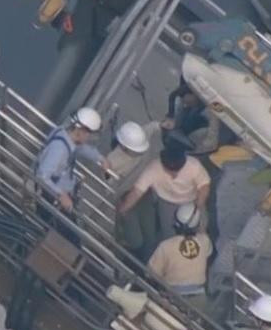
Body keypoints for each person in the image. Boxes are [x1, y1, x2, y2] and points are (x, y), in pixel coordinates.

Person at [33, 107, 110, 240]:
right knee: (67, 239)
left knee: (63, 236)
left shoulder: (65, 133)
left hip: (58, 196)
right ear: (82, 131)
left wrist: (100, 158)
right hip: (53, 197)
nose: (89, 138)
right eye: (89, 134)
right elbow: (42, 175)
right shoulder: (60, 149)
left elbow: (80, 148)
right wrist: (60, 194)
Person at [117, 145, 210, 242]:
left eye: (178, 170)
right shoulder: (153, 169)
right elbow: (137, 192)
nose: (174, 175)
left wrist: (197, 207)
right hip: (167, 204)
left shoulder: (194, 165)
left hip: (192, 201)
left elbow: (204, 186)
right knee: (170, 236)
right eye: (170, 171)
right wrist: (123, 209)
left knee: (200, 230)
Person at [147, 203, 213, 312]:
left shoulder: (165, 246)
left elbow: (151, 273)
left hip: (172, 298)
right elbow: (208, 254)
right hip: (199, 299)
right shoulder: (204, 241)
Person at [108, 121, 158, 259]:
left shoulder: (140, 137)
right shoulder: (113, 161)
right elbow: (108, 185)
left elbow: (153, 127)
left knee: (145, 232)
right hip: (126, 195)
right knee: (134, 237)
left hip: (140, 192)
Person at [163, 80, 220, 156]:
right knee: (180, 108)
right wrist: (170, 116)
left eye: (189, 103)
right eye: (185, 102)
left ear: (195, 95)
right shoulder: (190, 86)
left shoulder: (213, 102)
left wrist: (209, 141)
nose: (186, 104)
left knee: (203, 133)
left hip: (205, 120)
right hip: (195, 112)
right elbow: (173, 95)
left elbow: (215, 125)